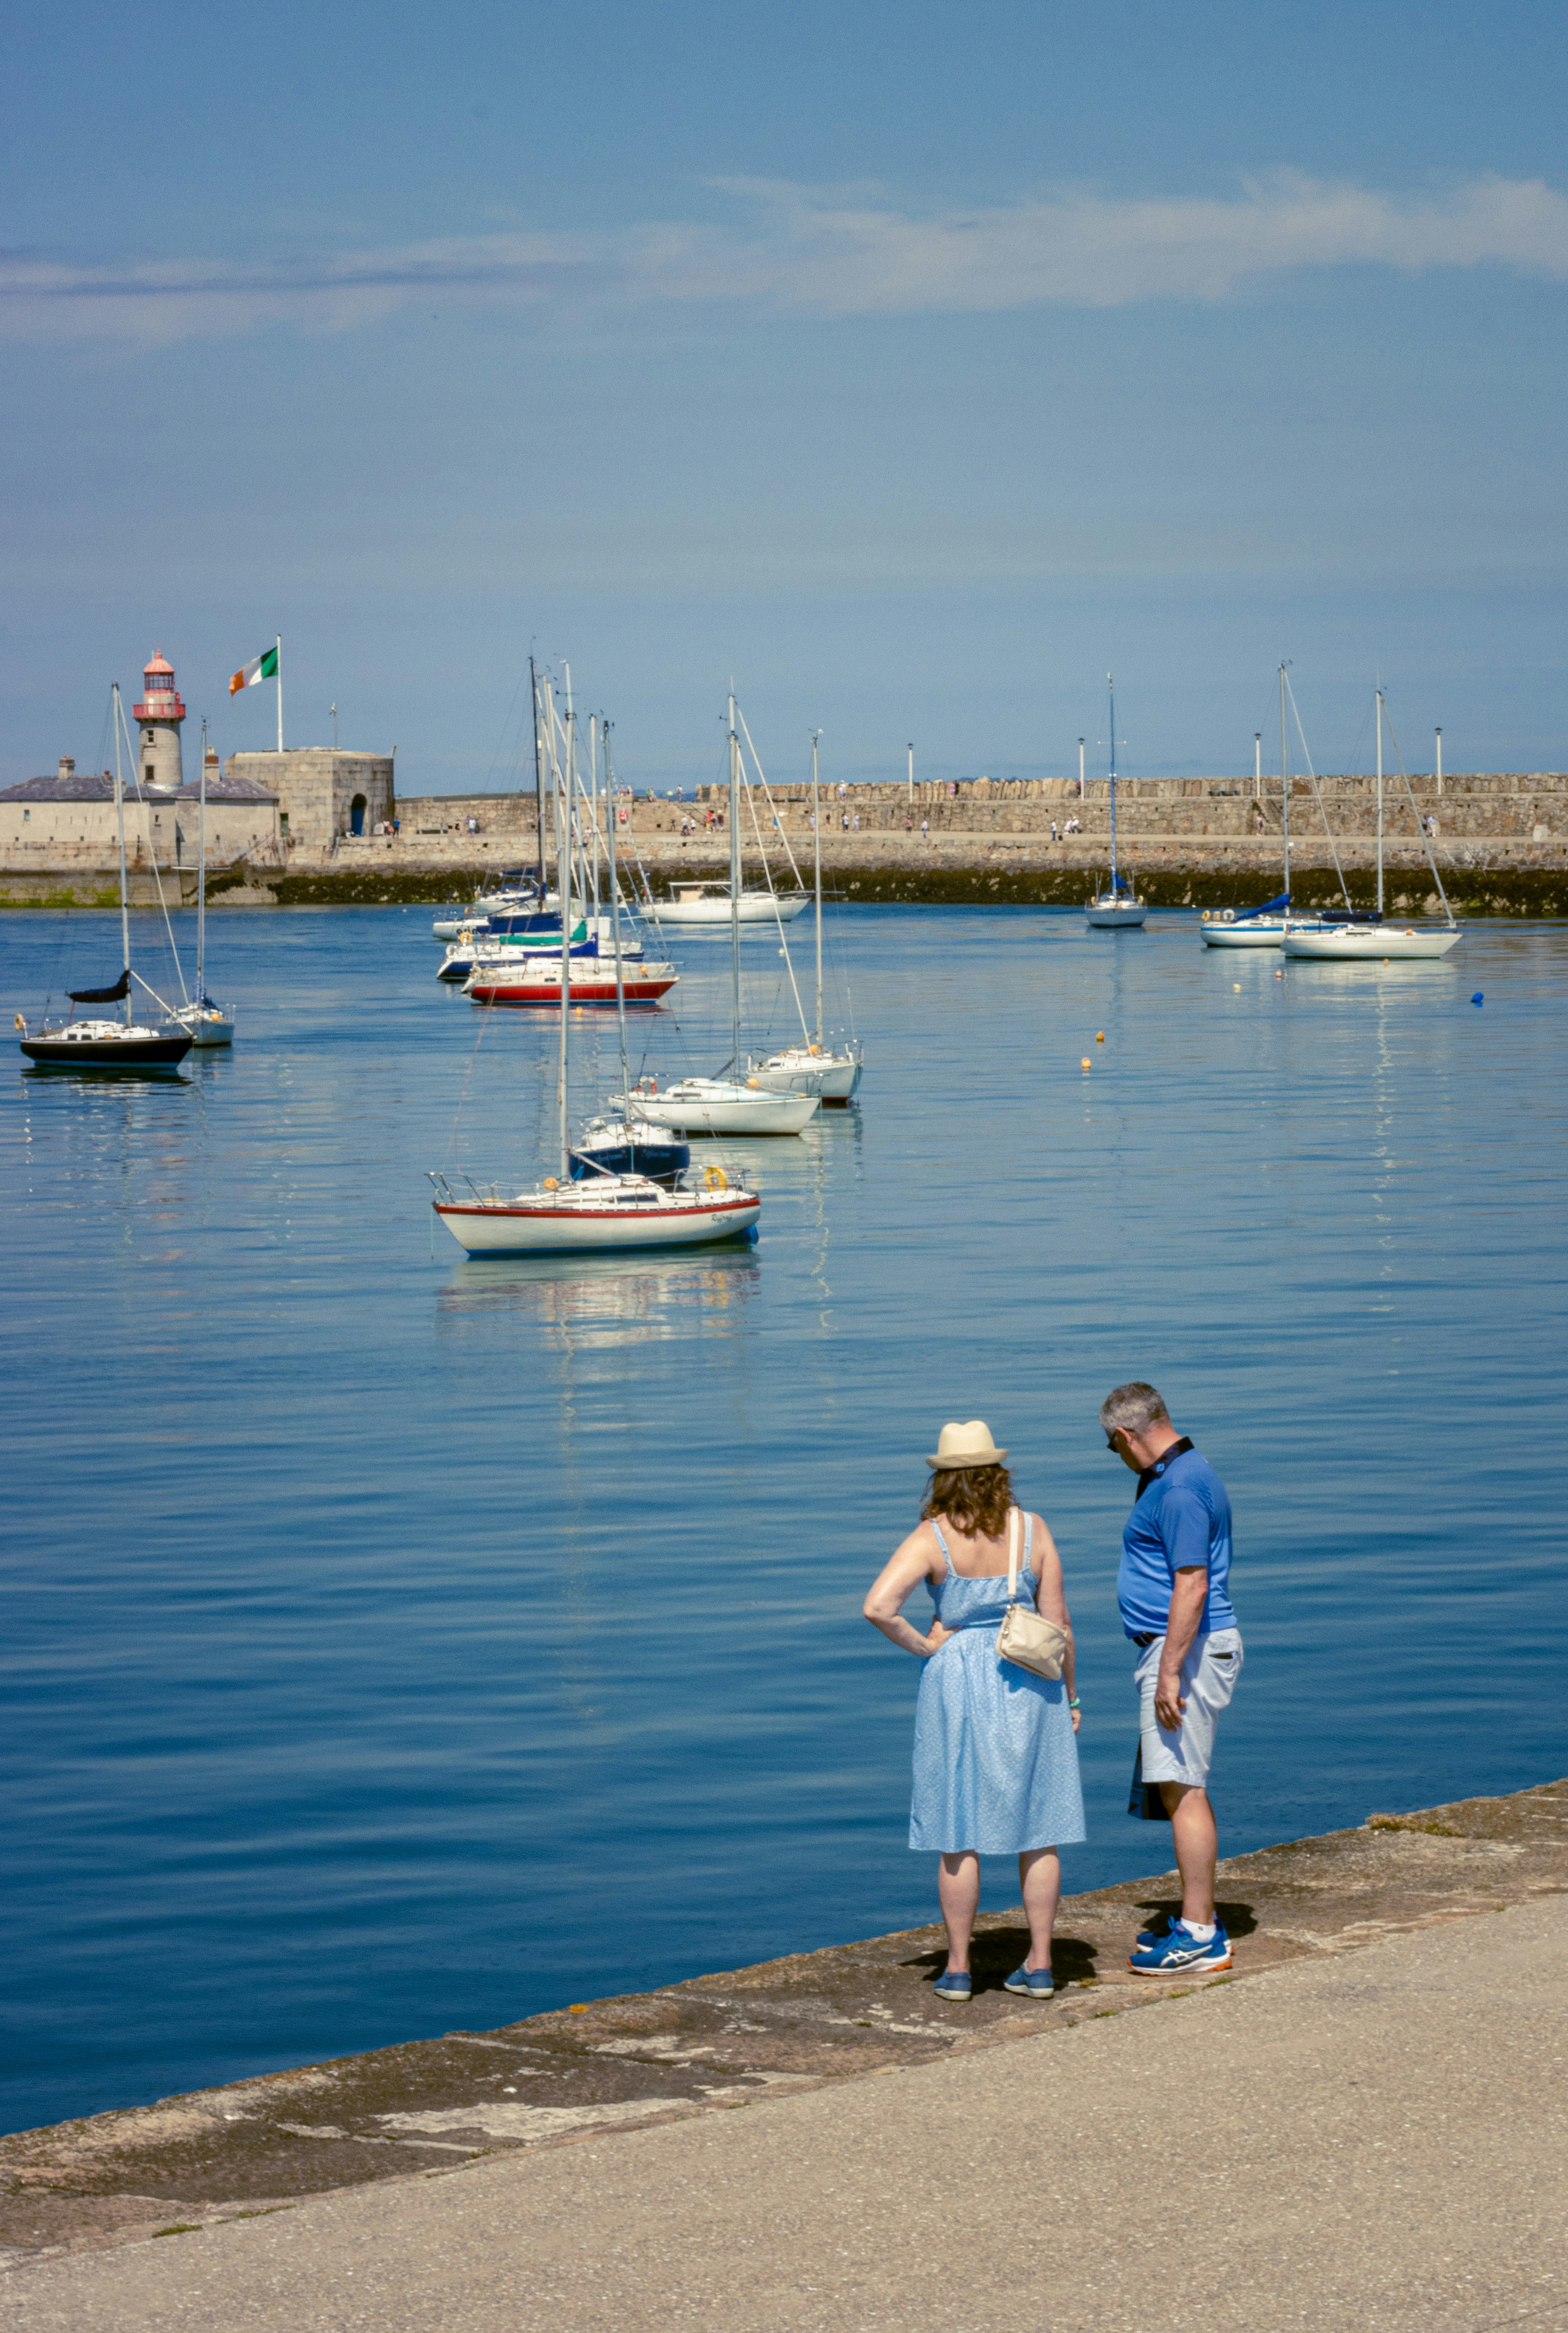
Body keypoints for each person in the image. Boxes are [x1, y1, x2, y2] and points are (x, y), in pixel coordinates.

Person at [864, 1420, 1084, 2003]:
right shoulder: (1031, 1528)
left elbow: (878, 1607)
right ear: (996, 1474)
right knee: (1040, 1829)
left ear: (943, 1479)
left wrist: (925, 1643)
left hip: (957, 1681)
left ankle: (959, 1970)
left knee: (955, 1830)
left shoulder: (931, 1536)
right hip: (1030, 1677)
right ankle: (1039, 1966)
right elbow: (1059, 1622)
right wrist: (1073, 1696)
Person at [1100, 1382, 1243, 1975]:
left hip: (1183, 1650)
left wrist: (1167, 1673)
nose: (1114, 1456)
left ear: (1128, 1434)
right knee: (1177, 1784)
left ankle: (1200, 1935)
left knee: (1182, 1788)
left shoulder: (1180, 1489)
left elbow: (1192, 1583)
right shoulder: (1186, 1471)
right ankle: (1196, 1914)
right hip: (1182, 1647)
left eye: (1112, 1446)